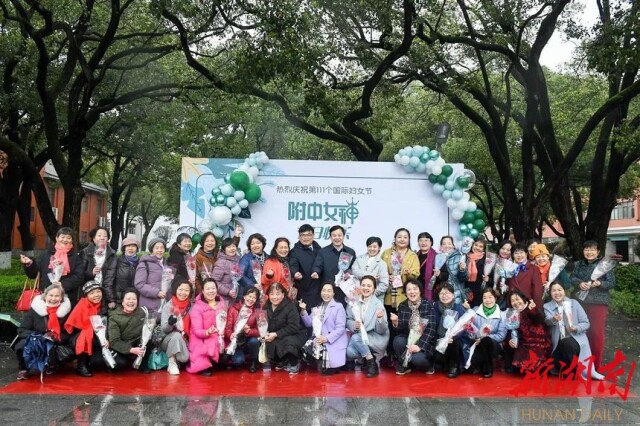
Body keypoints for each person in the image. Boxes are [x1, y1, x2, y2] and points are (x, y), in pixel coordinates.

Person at [570, 240, 616, 370]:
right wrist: (579, 283)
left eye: (592, 249)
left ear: (598, 251)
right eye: (586, 249)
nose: (589, 252)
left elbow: (612, 282)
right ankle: (580, 362)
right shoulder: (579, 264)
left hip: (598, 302)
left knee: (596, 333)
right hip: (580, 302)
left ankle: (595, 365)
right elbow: (572, 278)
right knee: (580, 331)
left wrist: (600, 284)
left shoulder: (605, 265)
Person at [544, 282, 604, 379]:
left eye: (559, 290)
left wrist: (576, 328)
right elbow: (547, 321)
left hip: (576, 338)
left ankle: (573, 372)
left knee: (569, 344)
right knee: (565, 344)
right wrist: (554, 319)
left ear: (564, 291)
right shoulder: (547, 306)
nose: (557, 293)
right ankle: (569, 370)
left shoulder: (574, 303)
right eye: (554, 290)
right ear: (550, 293)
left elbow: (586, 323)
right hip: (558, 340)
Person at [14, 284, 72, 380]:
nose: (53, 298)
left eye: (57, 296)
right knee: (21, 345)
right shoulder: (34, 310)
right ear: (45, 295)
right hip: (36, 340)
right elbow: (22, 330)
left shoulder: (66, 312)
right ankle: (24, 369)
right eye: (51, 295)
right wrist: (38, 337)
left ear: (61, 297)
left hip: (55, 341)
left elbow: (69, 332)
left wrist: (55, 338)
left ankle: (52, 365)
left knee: (58, 348)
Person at [20, 227, 85, 306]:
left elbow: (79, 276)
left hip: (67, 297)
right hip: (45, 296)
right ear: (57, 238)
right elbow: (33, 274)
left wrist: (63, 284)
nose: (65, 240)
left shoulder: (76, 257)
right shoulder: (45, 255)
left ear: (72, 240)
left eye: (68, 238)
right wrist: (29, 263)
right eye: (62, 237)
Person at [299, 283, 349, 375]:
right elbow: (309, 323)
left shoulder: (339, 306)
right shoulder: (318, 307)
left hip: (333, 341)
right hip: (320, 339)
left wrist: (326, 338)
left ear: (333, 293)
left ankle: (334, 365)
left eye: (329, 291)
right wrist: (303, 310)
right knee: (306, 354)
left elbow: (340, 328)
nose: (326, 293)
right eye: (324, 290)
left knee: (326, 372)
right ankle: (318, 360)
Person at [345, 275, 390, 378]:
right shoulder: (353, 301)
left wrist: (379, 319)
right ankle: (369, 356)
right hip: (359, 336)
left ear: (374, 288)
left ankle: (370, 362)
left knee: (356, 338)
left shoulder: (378, 304)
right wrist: (353, 325)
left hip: (375, 336)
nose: (366, 288)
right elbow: (348, 319)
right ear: (360, 286)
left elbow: (381, 330)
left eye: (369, 286)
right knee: (350, 352)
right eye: (363, 285)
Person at [390, 279, 437, 375]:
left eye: (415, 289)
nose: (412, 292)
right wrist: (396, 323)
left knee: (417, 359)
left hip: (425, 341)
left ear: (420, 291)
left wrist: (420, 346)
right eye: (409, 289)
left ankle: (429, 366)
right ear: (405, 292)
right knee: (398, 341)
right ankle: (406, 365)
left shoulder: (427, 304)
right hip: (409, 339)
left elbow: (431, 329)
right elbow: (401, 330)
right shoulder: (403, 305)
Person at [64, 280, 109, 377]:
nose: (96, 295)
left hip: (102, 336)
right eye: (92, 293)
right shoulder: (81, 305)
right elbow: (72, 326)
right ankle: (81, 365)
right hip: (81, 336)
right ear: (86, 295)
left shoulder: (106, 305)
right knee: (85, 338)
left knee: (99, 362)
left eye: (98, 291)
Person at [262, 282, 307, 375]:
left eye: (277, 294)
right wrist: (265, 333)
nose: (274, 297)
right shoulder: (266, 307)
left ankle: (294, 362)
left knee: (288, 342)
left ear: (283, 294)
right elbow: (263, 323)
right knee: (265, 342)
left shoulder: (291, 306)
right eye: (272, 294)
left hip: (294, 335)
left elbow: (293, 327)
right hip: (275, 334)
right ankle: (283, 360)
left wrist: (276, 334)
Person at [502, 290, 551, 374]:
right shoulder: (511, 313)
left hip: (538, 342)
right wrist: (510, 339)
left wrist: (534, 310)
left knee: (534, 369)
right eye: (512, 301)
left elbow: (540, 319)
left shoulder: (530, 307)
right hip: (522, 342)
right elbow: (509, 329)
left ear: (523, 299)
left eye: (517, 299)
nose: (516, 302)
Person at [187, 278, 227, 375]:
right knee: (203, 363)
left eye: (213, 288)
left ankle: (214, 360)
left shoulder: (222, 304)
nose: (211, 291)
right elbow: (197, 331)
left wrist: (223, 331)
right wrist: (207, 332)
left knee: (226, 358)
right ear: (203, 291)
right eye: (208, 289)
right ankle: (207, 364)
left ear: (216, 289)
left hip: (217, 337)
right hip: (200, 338)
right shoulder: (197, 307)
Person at [465, 288, 507, 378]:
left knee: (487, 340)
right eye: (485, 298)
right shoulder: (475, 310)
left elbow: (501, 335)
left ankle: (488, 367)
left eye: (490, 297)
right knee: (468, 370)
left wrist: (483, 339)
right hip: (476, 343)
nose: (488, 300)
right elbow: (470, 327)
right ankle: (479, 363)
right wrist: (476, 338)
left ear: (495, 298)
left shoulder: (502, 314)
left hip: (494, 345)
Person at [107, 288, 151, 373]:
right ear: (122, 301)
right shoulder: (114, 317)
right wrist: (131, 350)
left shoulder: (142, 312)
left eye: (134, 299)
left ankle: (142, 365)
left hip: (135, 342)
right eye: (128, 299)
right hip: (120, 346)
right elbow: (114, 341)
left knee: (148, 340)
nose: (131, 301)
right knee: (120, 364)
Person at [311, 225, 356, 306]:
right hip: (328, 291)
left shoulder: (350, 252)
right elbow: (318, 265)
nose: (337, 238)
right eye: (334, 235)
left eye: (339, 235)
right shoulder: (323, 252)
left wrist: (349, 274)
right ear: (330, 237)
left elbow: (354, 268)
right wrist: (315, 272)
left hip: (345, 290)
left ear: (343, 236)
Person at [432, 282, 468, 378]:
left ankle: (454, 366)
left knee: (454, 342)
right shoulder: (434, 307)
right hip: (438, 339)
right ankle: (443, 363)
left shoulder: (459, 308)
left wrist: (453, 336)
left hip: (454, 340)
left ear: (453, 295)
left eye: (447, 293)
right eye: (442, 293)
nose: (444, 296)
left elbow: (463, 328)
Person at [194, 226, 242, 295]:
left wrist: (236, 236)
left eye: (212, 241)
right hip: (206, 291)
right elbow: (196, 278)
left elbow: (230, 248)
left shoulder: (218, 253)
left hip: (219, 290)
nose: (210, 243)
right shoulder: (197, 258)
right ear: (202, 243)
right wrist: (202, 293)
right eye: (207, 241)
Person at [160, 278, 194, 375]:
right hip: (168, 339)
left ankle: (178, 359)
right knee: (176, 335)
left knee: (185, 358)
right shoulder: (168, 306)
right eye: (180, 289)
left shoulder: (192, 306)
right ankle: (172, 362)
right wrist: (170, 323)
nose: (183, 293)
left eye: (186, 290)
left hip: (186, 339)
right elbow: (164, 329)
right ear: (175, 290)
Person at [224, 287, 261, 373]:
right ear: (244, 296)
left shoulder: (258, 310)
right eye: (249, 296)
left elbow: (260, 331)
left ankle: (254, 362)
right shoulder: (234, 308)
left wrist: (249, 331)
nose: (251, 299)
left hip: (248, 340)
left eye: (254, 297)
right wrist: (230, 335)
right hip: (236, 342)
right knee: (238, 361)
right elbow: (228, 327)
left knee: (254, 341)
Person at [381, 228, 420, 309]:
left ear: (409, 240)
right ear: (395, 238)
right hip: (387, 294)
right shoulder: (386, 253)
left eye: (405, 237)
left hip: (404, 295)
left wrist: (408, 273)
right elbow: (379, 270)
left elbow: (416, 274)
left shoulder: (413, 255)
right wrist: (387, 277)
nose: (402, 239)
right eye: (399, 237)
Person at [79, 227, 117, 308]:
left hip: (105, 294)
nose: (102, 238)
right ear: (93, 238)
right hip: (88, 294)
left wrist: (110, 299)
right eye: (99, 235)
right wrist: (91, 273)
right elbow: (79, 274)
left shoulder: (112, 255)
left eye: (105, 236)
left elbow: (110, 278)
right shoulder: (85, 252)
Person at [290, 224, 322, 314]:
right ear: (299, 236)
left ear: (313, 235)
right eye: (303, 235)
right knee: (305, 315)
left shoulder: (319, 249)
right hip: (304, 289)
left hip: (318, 288)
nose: (306, 238)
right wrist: (295, 273)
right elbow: (293, 264)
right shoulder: (295, 251)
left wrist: (317, 272)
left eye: (308, 235)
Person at [134, 238, 168, 319]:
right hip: (149, 306)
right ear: (152, 250)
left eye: (162, 247)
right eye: (157, 248)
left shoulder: (167, 264)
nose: (159, 250)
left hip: (165, 305)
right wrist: (157, 292)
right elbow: (139, 284)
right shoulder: (144, 264)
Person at [351, 236, 389, 303]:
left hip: (374, 299)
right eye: (370, 246)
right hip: (356, 296)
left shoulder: (382, 264)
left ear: (379, 248)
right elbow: (355, 271)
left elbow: (384, 284)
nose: (372, 249)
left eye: (374, 247)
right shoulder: (359, 258)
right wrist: (371, 275)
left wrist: (368, 293)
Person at [505, 242, 543, 308]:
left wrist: (536, 306)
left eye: (521, 252)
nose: (519, 255)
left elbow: (537, 290)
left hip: (528, 305)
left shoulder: (534, 268)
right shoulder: (508, 268)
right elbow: (504, 286)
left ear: (526, 254)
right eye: (516, 253)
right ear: (512, 255)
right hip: (513, 304)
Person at [433, 235, 468, 305]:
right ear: (441, 246)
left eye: (449, 243)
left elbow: (463, 279)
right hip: (442, 295)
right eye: (444, 244)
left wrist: (462, 270)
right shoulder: (437, 258)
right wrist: (438, 275)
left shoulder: (460, 257)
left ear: (453, 245)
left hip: (456, 294)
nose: (447, 246)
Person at [110, 237, 140, 306]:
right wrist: (111, 299)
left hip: (135, 300)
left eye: (133, 246)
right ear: (124, 248)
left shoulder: (141, 262)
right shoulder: (117, 261)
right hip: (119, 299)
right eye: (128, 246)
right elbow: (110, 281)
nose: (131, 248)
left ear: (137, 248)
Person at [212, 237, 242, 305]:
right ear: (224, 250)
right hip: (222, 299)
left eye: (233, 246)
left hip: (234, 298)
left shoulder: (238, 260)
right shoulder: (221, 262)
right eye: (228, 247)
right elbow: (214, 282)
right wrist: (228, 291)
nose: (232, 248)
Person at [462, 238, 489, 308]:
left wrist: (487, 279)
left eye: (481, 246)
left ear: (483, 249)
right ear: (472, 245)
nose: (477, 248)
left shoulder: (487, 261)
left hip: (479, 292)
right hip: (465, 289)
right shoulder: (465, 257)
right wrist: (461, 269)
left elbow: (491, 278)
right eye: (476, 245)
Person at [415, 232, 437, 301]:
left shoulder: (437, 256)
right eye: (421, 240)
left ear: (431, 243)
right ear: (418, 243)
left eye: (426, 240)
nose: (423, 243)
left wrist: (439, 274)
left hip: (431, 291)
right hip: (416, 289)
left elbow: (445, 274)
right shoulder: (414, 256)